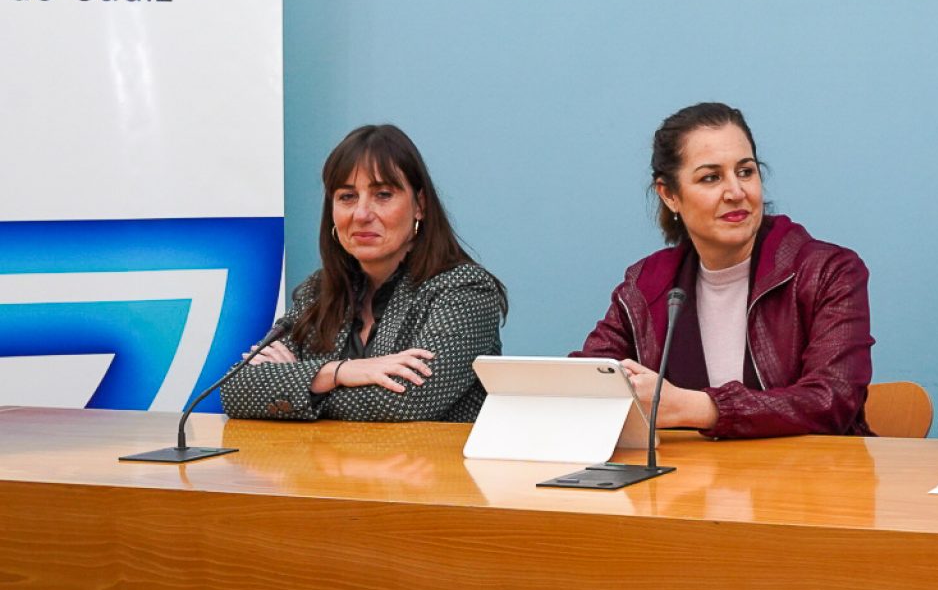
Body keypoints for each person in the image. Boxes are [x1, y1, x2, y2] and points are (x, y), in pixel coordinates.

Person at [576, 102, 875, 438]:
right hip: (688, 486)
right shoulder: (646, 285)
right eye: (711, 177)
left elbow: (833, 399)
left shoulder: (828, 272)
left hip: (811, 481)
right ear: (670, 194)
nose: (736, 192)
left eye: (745, 172)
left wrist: (699, 408)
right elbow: (589, 380)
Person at [224, 125, 507, 423]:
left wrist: (298, 384)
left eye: (383, 194)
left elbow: (407, 402)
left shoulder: (464, 291)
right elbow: (235, 389)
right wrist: (340, 372)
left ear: (419, 206)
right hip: (325, 468)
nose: (361, 214)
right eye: (347, 197)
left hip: (429, 468)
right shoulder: (317, 292)